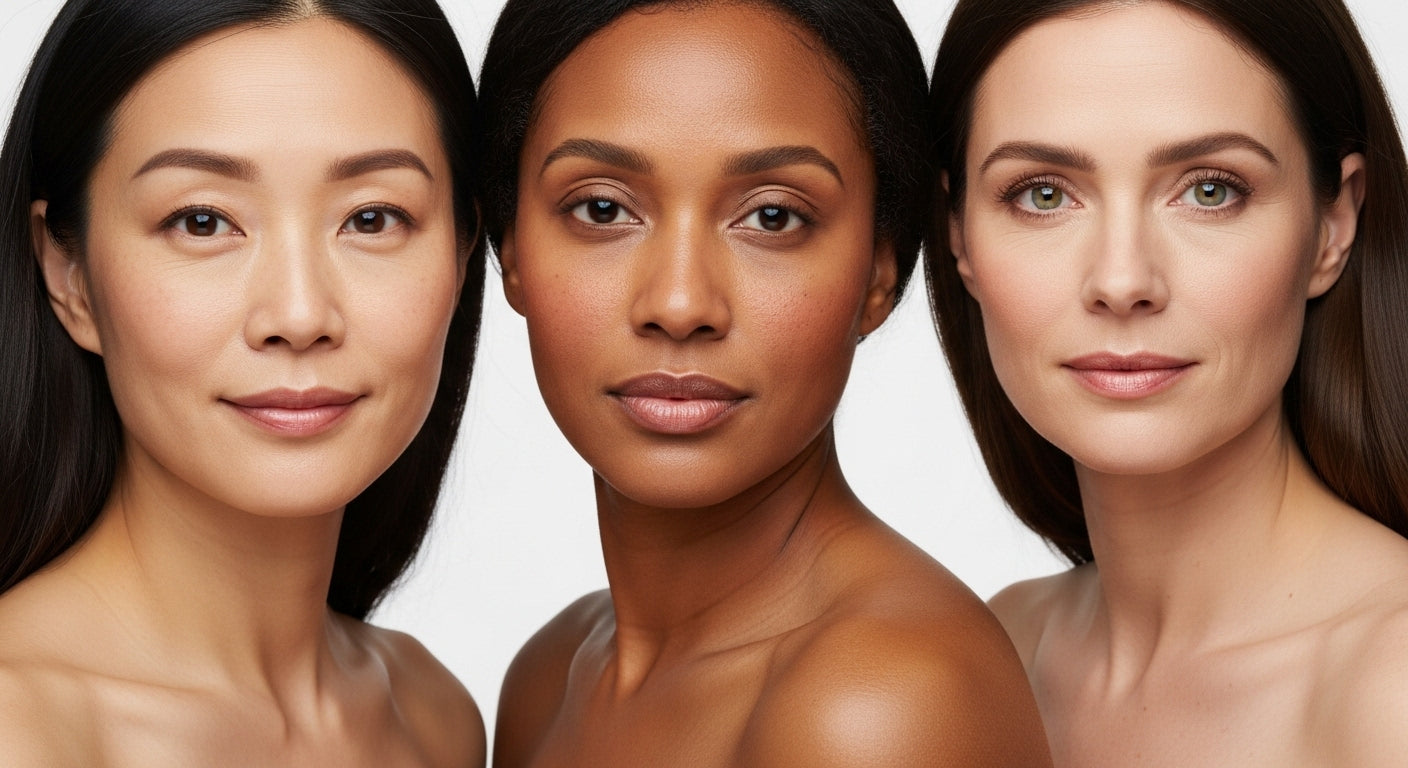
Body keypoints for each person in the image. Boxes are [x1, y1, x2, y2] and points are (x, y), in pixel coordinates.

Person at [478, 1, 1052, 765]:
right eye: (603, 208)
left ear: (881, 271)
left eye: (773, 218)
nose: (680, 305)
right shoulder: (546, 681)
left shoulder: (882, 703)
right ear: (510, 247)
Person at [0, 1, 486, 764]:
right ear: (71, 277)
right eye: (202, 221)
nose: (298, 315)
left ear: (462, 255)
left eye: (372, 218)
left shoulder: (435, 720)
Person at [927, 0, 1408, 764]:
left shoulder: (1394, 686)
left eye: (1211, 190)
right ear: (958, 236)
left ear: (1333, 226)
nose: (1122, 281)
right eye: (1043, 193)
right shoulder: (995, 656)